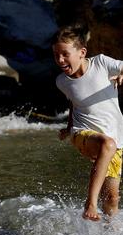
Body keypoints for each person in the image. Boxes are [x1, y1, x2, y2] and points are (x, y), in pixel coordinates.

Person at [53, 24, 123, 221]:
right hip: (82, 133)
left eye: (65, 54)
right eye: (56, 55)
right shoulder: (62, 81)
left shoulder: (101, 63)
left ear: (82, 52)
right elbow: (75, 104)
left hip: (116, 136)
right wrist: (69, 129)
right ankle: (89, 203)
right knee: (106, 144)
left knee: (112, 198)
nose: (60, 60)